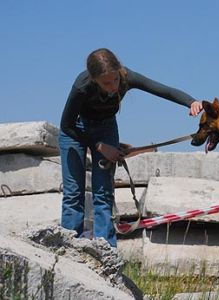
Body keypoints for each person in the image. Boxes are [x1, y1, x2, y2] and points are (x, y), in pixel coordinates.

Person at [59, 48, 202, 247]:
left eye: (115, 80)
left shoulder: (127, 77)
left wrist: (191, 102)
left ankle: (105, 251)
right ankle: (67, 248)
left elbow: (162, 89)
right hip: (75, 129)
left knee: (103, 194)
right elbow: (66, 124)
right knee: (74, 193)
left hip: (105, 127)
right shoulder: (82, 85)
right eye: (106, 83)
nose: (113, 87)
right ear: (94, 80)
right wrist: (99, 146)